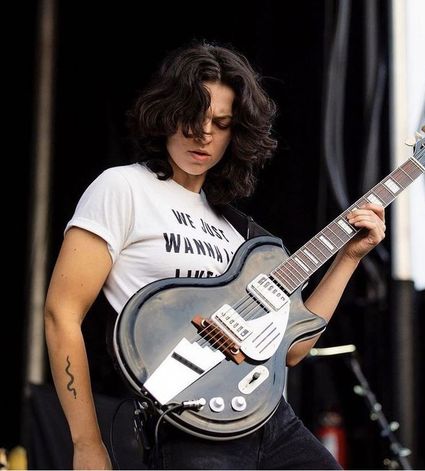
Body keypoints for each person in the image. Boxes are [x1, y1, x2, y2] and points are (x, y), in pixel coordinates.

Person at [44, 40, 386, 470]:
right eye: (192, 117)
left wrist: (349, 258)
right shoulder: (123, 188)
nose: (204, 135)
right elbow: (62, 314)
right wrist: (86, 444)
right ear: (167, 114)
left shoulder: (240, 232)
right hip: (190, 419)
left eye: (221, 123)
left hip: (272, 419)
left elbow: (293, 349)